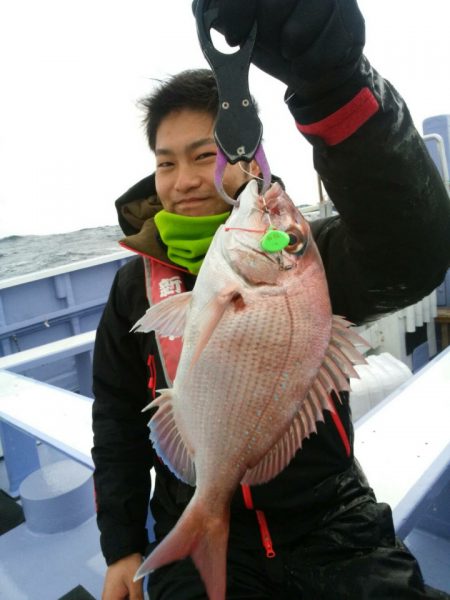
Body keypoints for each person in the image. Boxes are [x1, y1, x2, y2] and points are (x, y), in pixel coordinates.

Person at [91, 1, 450, 598]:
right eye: (164, 163)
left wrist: (335, 89)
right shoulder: (135, 289)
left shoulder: (304, 259)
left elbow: (408, 251)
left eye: (204, 155)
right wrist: (123, 545)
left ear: (244, 156)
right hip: (192, 509)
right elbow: (117, 419)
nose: (181, 181)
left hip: (330, 515)